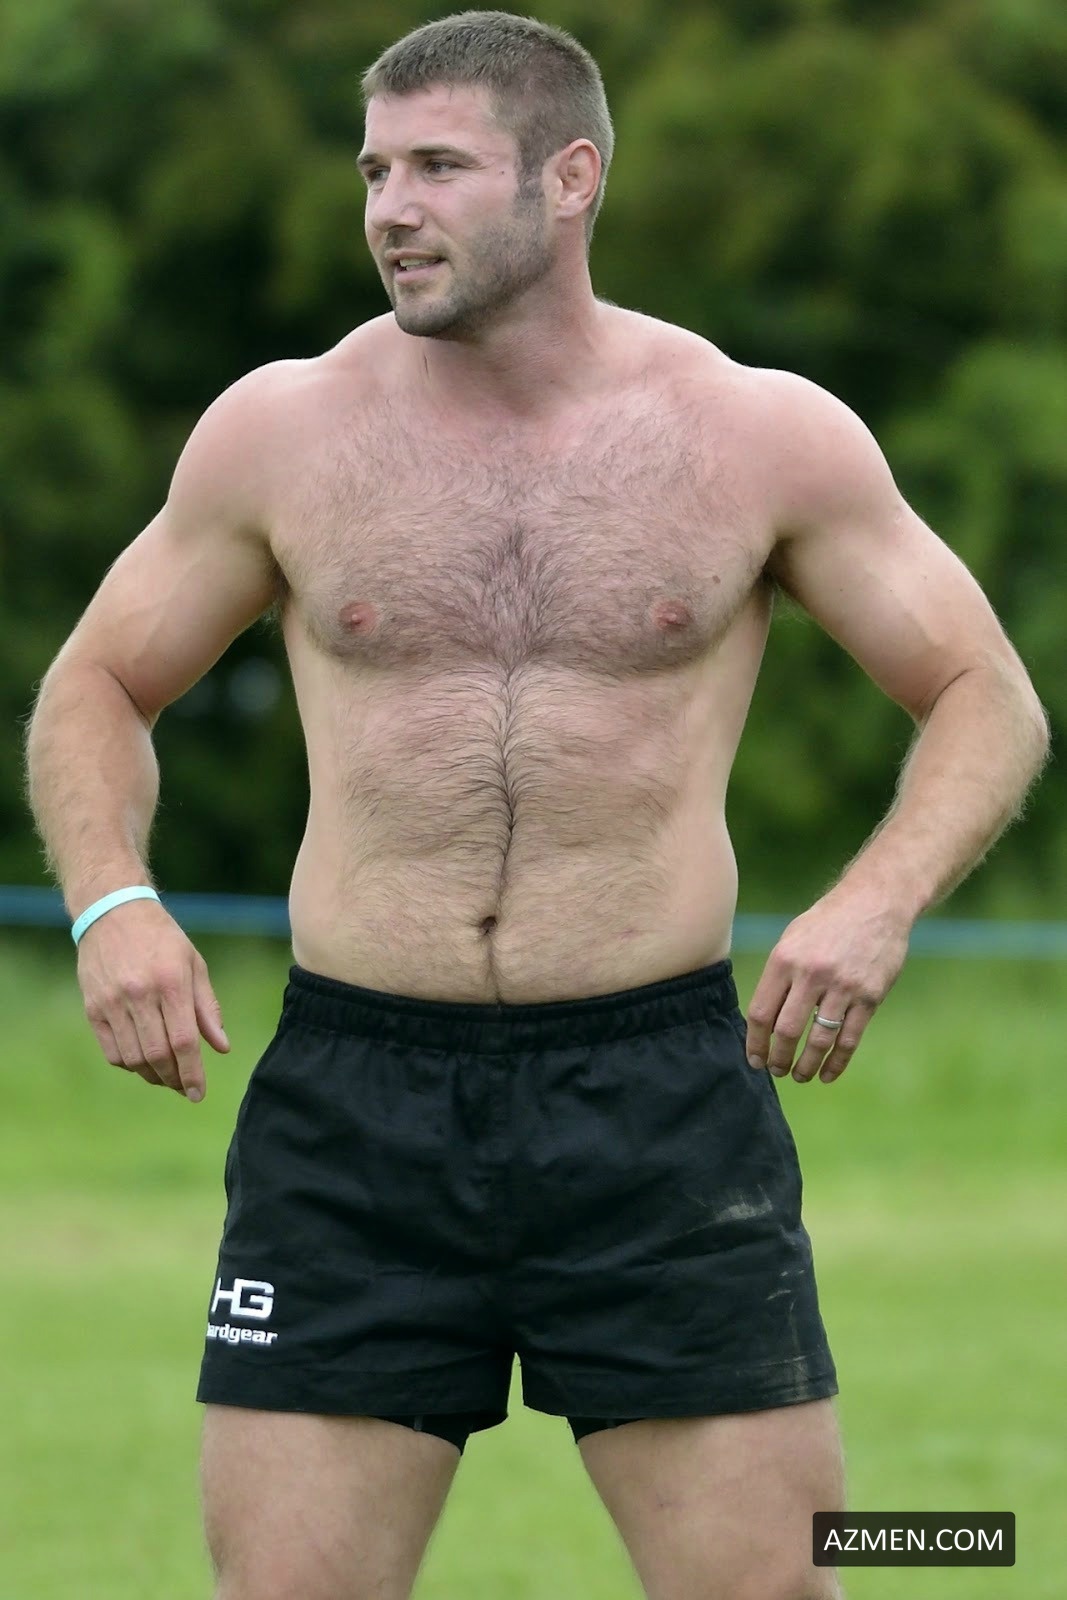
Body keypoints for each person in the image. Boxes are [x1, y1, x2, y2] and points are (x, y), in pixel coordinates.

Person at [25, 11, 1047, 1600]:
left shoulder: (757, 433)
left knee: (779, 1581)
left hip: (658, 1104)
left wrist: (873, 902)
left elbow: (988, 694)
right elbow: (95, 684)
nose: (390, 208)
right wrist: (112, 903)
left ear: (569, 180)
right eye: (375, 171)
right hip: (355, 1107)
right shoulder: (283, 430)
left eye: (438, 167)